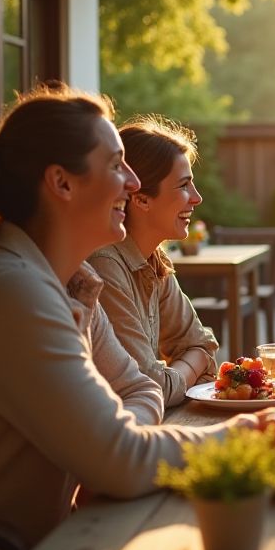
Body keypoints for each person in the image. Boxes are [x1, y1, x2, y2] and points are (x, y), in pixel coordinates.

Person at [0, 85, 259, 550]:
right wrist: (237, 436)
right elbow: (120, 463)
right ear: (61, 184)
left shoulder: (69, 283)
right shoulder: (13, 293)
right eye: (118, 164)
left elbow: (139, 389)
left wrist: (121, 431)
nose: (134, 182)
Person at [88, 115, 217, 406]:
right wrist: (188, 373)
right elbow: (149, 384)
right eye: (184, 186)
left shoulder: (154, 260)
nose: (196, 198)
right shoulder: (104, 266)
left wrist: (178, 372)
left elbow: (203, 344)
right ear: (141, 199)